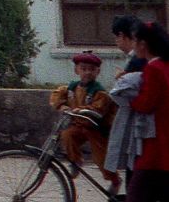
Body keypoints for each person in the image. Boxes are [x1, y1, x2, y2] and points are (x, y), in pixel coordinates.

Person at [52, 51, 118, 185]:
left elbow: (99, 108)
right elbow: (57, 96)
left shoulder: (99, 91)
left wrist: (84, 110)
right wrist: (62, 106)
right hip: (78, 125)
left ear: (97, 72)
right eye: (83, 69)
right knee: (67, 135)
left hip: (97, 128)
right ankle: (76, 160)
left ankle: (114, 180)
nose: (87, 72)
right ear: (76, 70)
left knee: (101, 158)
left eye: (92, 69)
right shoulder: (71, 88)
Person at [122, 21, 168, 201]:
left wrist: (130, 100)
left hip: (157, 142)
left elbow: (146, 103)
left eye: (135, 41)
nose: (133, 46)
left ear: (143, 44)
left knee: (136, 193)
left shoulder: (153, 69)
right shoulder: (165, 65)